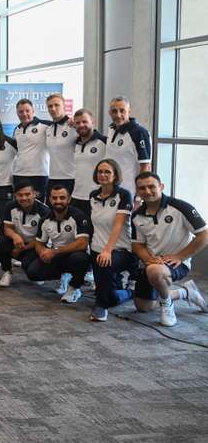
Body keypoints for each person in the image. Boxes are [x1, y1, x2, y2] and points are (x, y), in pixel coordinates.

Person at [131, 172, 208, 327]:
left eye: (151, 186)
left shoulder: (180, 207)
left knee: (156, 271)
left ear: (161, 187)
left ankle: (167, 305)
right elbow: (137, 245)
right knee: (143, 307)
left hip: (177, 262)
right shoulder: (137, 216)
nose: (147, 191)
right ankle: (185, 292)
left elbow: (203, 235)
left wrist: (180, 256)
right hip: (152, 263)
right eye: (142, 188)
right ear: (137, 191)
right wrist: (148, 259)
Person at [86, 159, 138, 321]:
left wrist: (108, 250)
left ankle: (101, 308)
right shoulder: (93, 195)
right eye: (100, 171)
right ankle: (129, 293)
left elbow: (118, 224)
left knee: (104, 272)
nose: (103, 175)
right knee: (109, 293)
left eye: (107, 172)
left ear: (115, 175)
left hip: (120, 249)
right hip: (97, 249)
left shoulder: (124, 195)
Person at [27, 185, 91, 298]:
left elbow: (82, 243)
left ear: (69, 199)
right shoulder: (45, 219)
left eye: (62, 198)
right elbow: (39, 242)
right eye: (55, 198)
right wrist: (43, 253)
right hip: (57, 255)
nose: (58, 201)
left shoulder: (79, 216)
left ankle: (74, 287)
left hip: (76, 254)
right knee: (33, 273)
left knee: (79, 259)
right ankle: (64, 275)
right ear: (50, 199)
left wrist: (54, 252)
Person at [0, 180, 50, 288]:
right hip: (18, 242)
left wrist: (22, 249)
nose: (24, 198)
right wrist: (15, 236)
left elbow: (42, 239)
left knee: (30, 269)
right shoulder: (10, 206)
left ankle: (36, 270)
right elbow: (7, 228)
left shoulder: (44, 211)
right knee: (0, 242)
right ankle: (7, 271)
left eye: (27, 194)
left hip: (35, 245)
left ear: (34, 194)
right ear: (15, 195)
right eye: (20, 195)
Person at [105, 96, 151, 197]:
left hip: (129, 192)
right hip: (111, 189)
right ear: (109, 112)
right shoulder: (111, 129)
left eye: (122, 111)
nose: (118, 115)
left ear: (129, 111)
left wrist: (139, 196)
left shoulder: (139, 132)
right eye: (114, 111)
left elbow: (145, 166)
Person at [71, 108, 107, 215]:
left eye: (85, 121)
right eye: (78, 123)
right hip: (76, 196)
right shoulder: (75, 143)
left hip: (96, 197)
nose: (81, 125)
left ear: (92, 122)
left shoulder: (105, 142)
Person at [12, 98, 49, 200]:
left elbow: (61, 125)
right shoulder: (17, 129)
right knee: (20, 205)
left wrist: (70, 121)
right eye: (21, 111)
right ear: (17, 113)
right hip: (18, 174)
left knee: (38, 206)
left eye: (27, 111)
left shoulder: (45, 125)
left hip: (39, 174)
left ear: (33, 111)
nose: (24, 114)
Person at [45, 93, 77, 197]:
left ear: (64, 106)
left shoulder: (74, 125)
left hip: (71, 179)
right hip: (52, 179)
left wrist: (76, 121)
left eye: (56, 105)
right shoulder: (48, 129)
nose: (53, 109)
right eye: (50, 106)